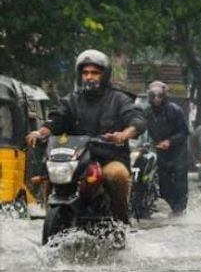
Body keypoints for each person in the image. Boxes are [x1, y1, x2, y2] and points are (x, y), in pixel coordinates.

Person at [25, 49, 146, 223]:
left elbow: (136, 119)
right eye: (85, 73)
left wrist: (124, 134)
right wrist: (39, 132)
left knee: (116, 175)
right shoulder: (71, 100)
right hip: (75, 159)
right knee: (51, 174)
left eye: (95, 73)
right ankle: (49, 214)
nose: (89, 77)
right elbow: (56, 120)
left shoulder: (119, 99)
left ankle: (122, 221)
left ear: (104, 75)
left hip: (109, 158)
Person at [143, 80, 189, 215]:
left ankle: (180, 211)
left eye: (159, 96)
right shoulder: (147, 113)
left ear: (165, 96)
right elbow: (142, 129)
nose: (156, 99)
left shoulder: (175, 110)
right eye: (153, 96)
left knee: (180, 183)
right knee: (164, 186)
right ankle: (174, 207)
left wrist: (170, 141)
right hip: (160, 153)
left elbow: (184, 132)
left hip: (177, 153)